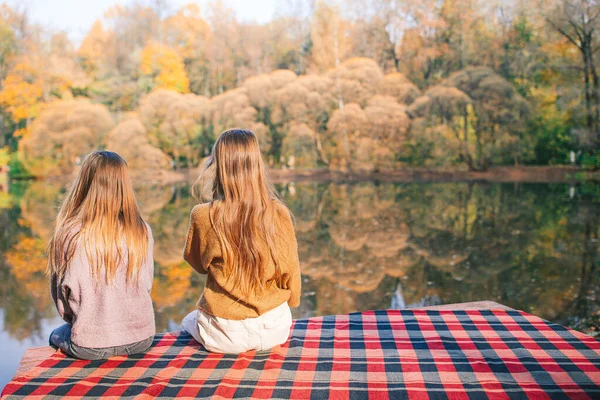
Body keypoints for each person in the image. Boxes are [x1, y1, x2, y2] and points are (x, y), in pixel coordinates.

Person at [181, 129, 301, 354]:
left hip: (225, 335)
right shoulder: (279, 213)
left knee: (188, 320)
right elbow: (291, 273)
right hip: (274, 329)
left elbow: (198, 265)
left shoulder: (202, 215)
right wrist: (291, 302)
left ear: (219, 166)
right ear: (257, 165)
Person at [47, 151, 155, 360]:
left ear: (84, 183)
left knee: (55, 335)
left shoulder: (70, 233)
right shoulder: (141, 230)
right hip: (141, 339)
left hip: (89, 345)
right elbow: (146, 284)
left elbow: (63, 300)